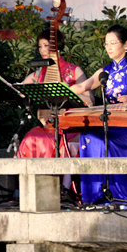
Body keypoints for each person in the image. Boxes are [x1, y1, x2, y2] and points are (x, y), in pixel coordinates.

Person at [70, 25, 127, 204]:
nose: (108, 47)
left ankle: (118, 192)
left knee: (102, 140)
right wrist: (58, 91)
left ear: (125, 45)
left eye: (113, 43)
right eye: (106, 43)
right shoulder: (105, 71)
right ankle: (95, 194)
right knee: (88, 135)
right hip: (112, 124)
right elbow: (82, 86)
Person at [17, 28, 91, 161]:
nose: (42, 50)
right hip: (48, 127)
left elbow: (90, 100)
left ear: (57, 45)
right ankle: (34, 180)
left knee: (50, 142)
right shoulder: (39, 73)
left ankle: (59, 181)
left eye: (46, 45)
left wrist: (67, 93)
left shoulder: (74, 70)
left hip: (70, 128)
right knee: (30, 138)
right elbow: (20, 89)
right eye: (40, 46)